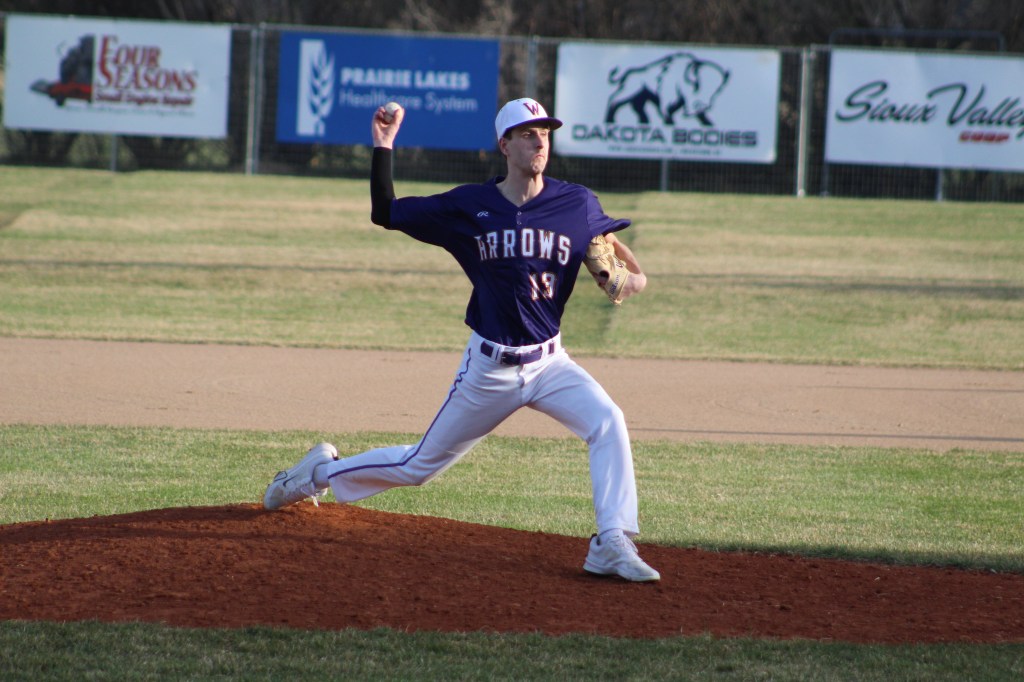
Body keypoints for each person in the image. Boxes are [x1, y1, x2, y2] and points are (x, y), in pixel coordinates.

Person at [263, 98, 659, 582]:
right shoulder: (471, 207)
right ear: (504, 144)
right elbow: (385, 212)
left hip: (551, 364)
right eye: (529, 133)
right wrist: (384, 146)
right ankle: (314, 474)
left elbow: (626, 264)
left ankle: (611, 541)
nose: (540, 141)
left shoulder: (575, 203)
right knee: (418, 467)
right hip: (490, 369)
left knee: (608, 421)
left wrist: (626, 280)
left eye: (546, 133)